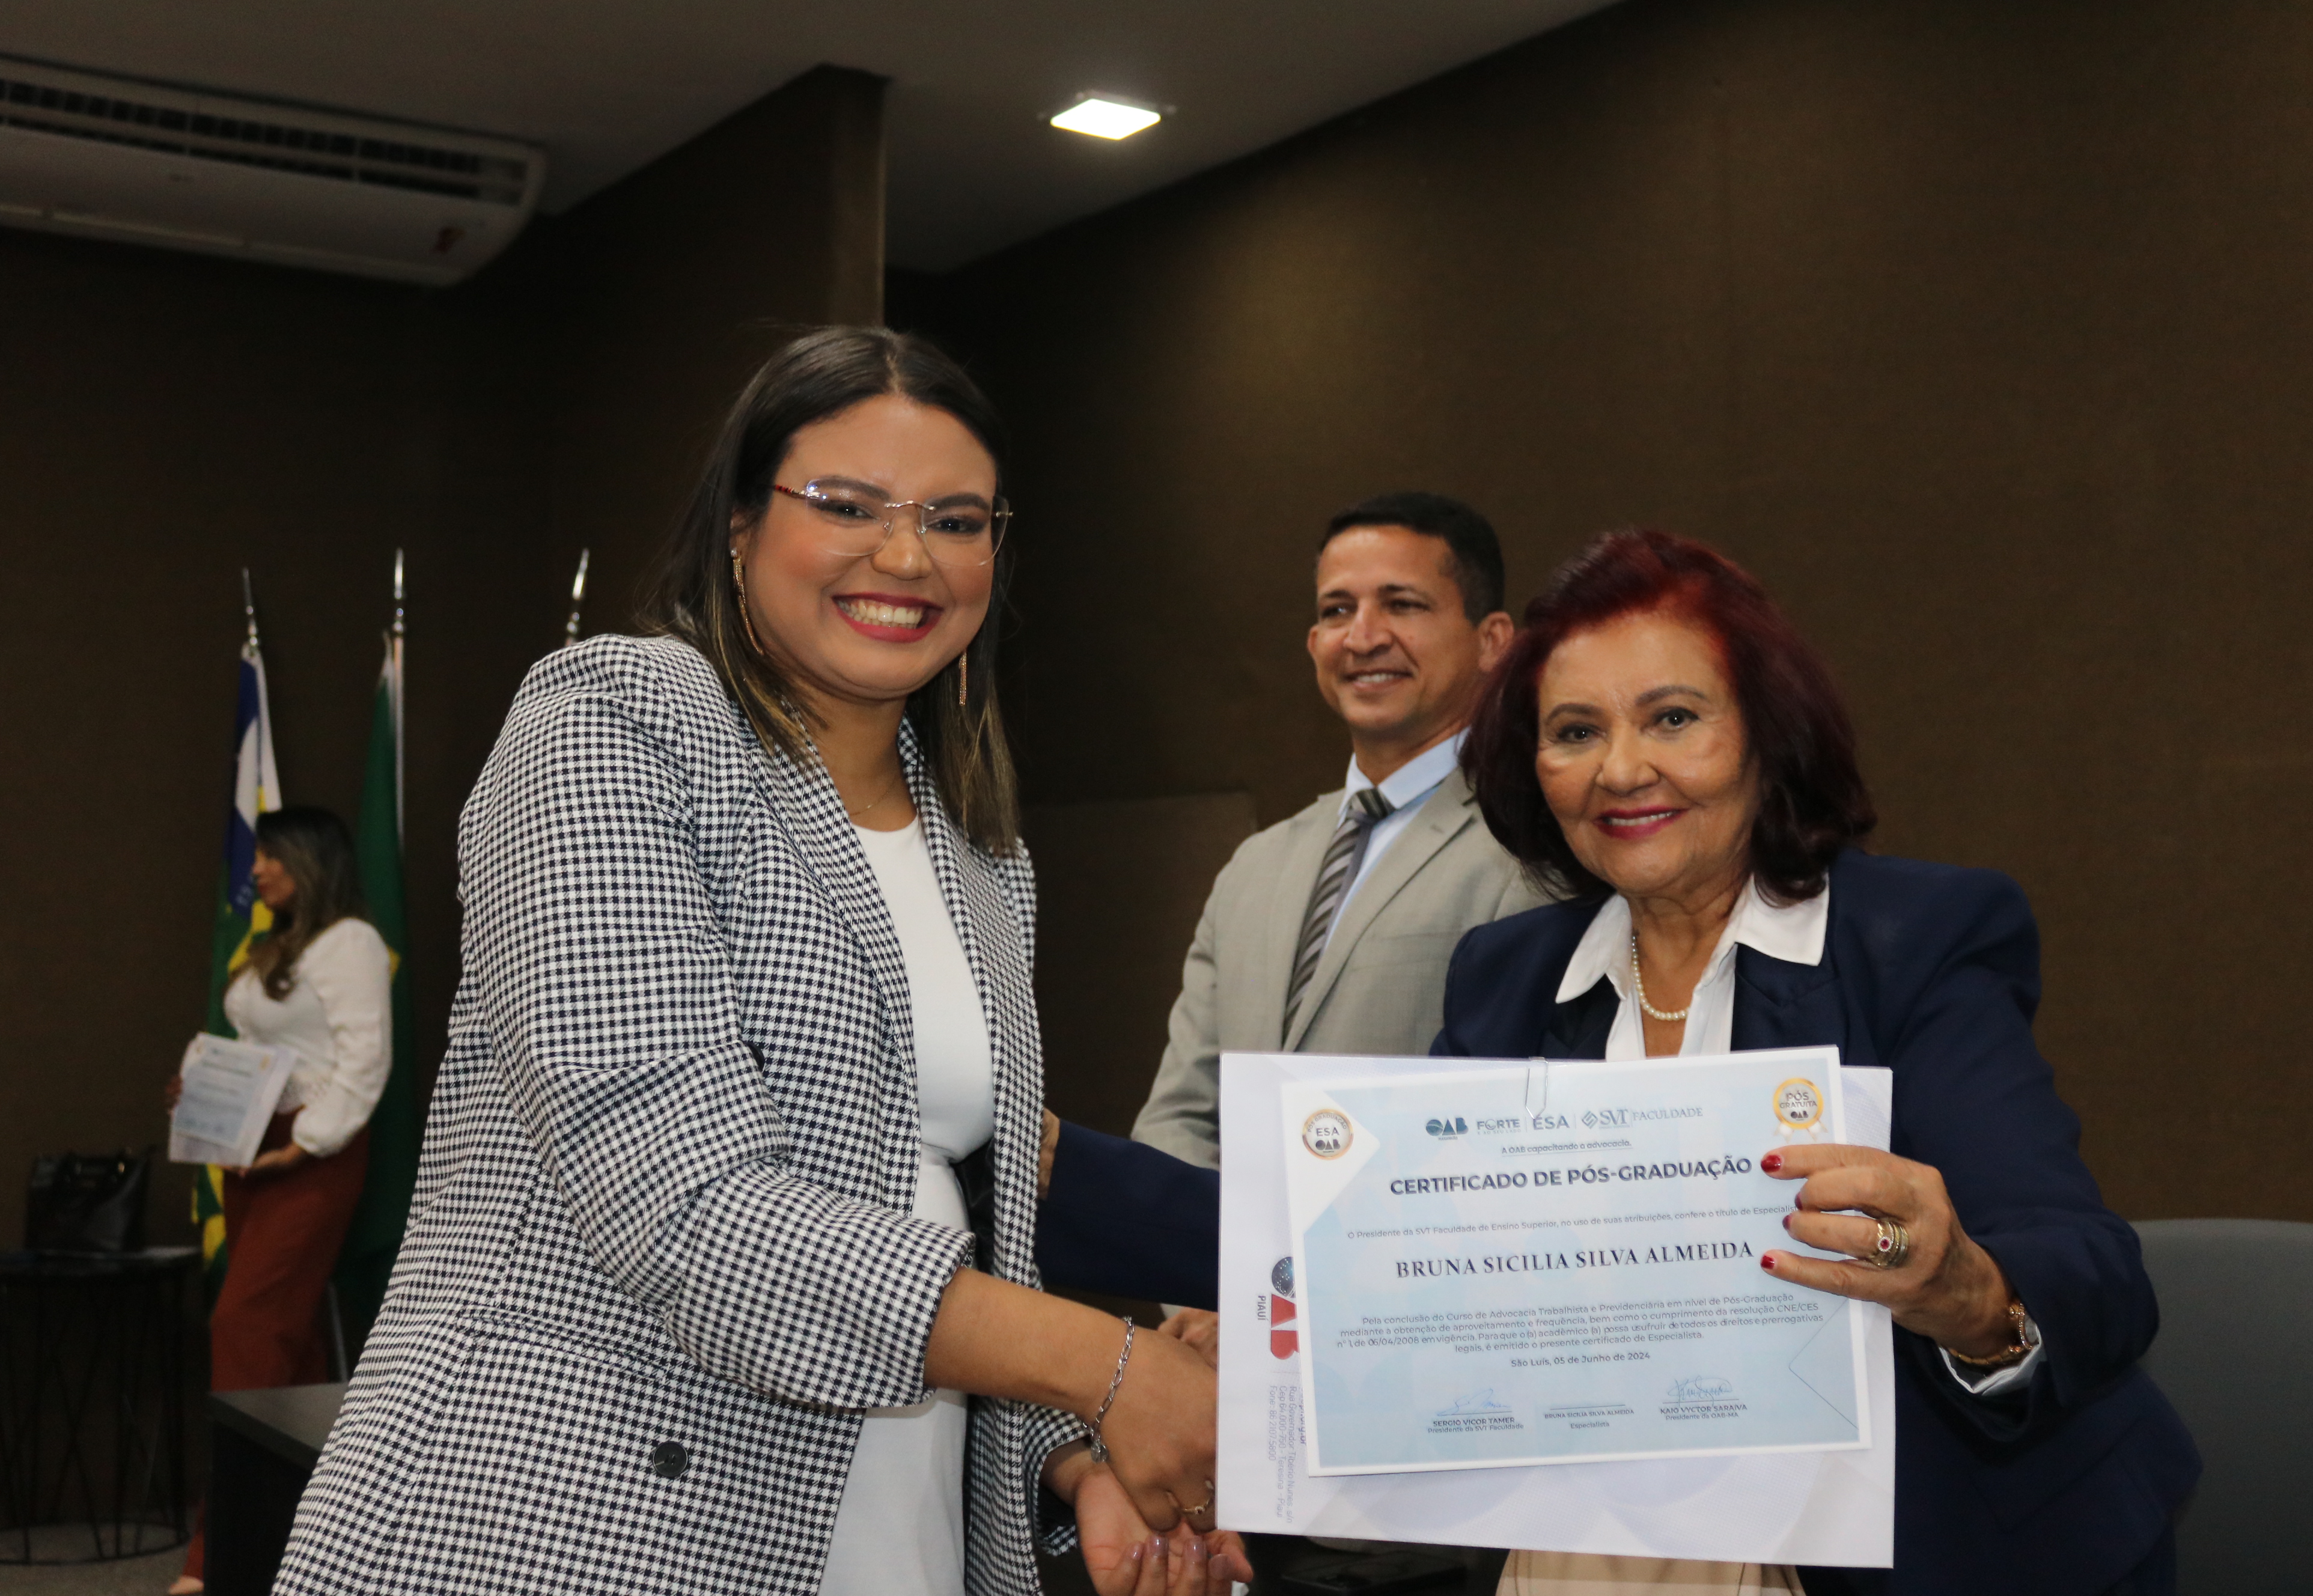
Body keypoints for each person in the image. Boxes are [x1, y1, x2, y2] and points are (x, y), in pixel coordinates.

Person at [275, 329, 1247, 1596]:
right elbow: (685, 1207)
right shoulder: (613, 718)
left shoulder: (982, 852)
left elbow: (950, 1213)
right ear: (739, 524)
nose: (906, 555)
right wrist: (1109, 1367)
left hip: (894, 1537)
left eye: (955, 519)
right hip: (575, 1525)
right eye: (846, 504)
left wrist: (1073, 1460)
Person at [1435, 529, 2199, 1596]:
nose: (1620, 769)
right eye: (1574, 732)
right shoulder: (1504, 978)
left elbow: (2094, 1274)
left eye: (1672, 717)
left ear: (1766, 734)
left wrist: (1963, 1289)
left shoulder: (1913, 941)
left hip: (1916, 1544)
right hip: (1597, 1523)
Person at [1121, 493, 1544, 1198]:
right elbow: (1181, 1116)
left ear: (1492, 640)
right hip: (1223, 1266)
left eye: (1402, 604)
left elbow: (1514, 1127)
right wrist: (1209, 1259)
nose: (1363, 637)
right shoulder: (1254, 867)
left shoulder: (1532, 848)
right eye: (1337, 610)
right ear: (1314, 641)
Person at [164, 805, 391, 1595]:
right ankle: (307, 1544)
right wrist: (201, 1095)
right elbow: (260, 1053)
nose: (254, 869)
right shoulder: (277, 945)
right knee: (291, 1355)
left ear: (309, 859)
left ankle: (217, 1555)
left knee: (247, 1328)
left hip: (310, 1154)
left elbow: (365, 1060)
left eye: (269, 856)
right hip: (251, 1152)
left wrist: (305, 1145)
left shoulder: (350, 942)